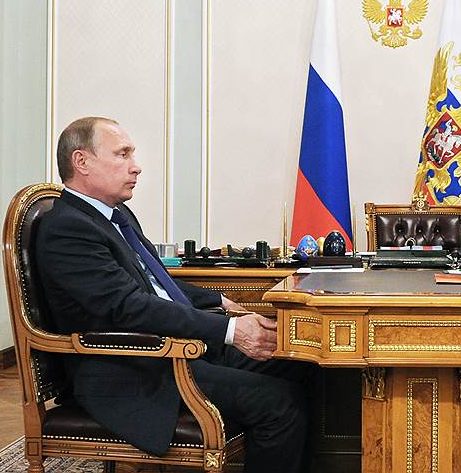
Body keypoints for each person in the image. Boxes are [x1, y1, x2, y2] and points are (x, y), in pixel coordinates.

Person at [35, 116, 308, 473]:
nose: (136, 166)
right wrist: (230, 331)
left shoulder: (115, 215)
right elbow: (128, 307)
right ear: (81, 161)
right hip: (130, 371)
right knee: (280, 403)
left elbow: (155, 284)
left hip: (173, 350)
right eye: (122, 154)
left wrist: (217, 301)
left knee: (301, 362)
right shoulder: (67, 229)